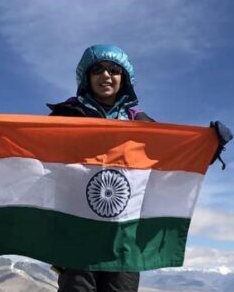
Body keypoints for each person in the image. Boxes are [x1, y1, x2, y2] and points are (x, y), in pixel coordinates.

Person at [48, 44, 151, 292]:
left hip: (124, 236)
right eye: (98, 70)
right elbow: (27, 146)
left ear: (123, 78)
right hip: (76, 230)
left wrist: (210, 145)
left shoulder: (142, 123)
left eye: (114, 70)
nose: (106, 75)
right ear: (87, 76)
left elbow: (172, 159)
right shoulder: (66, 115)